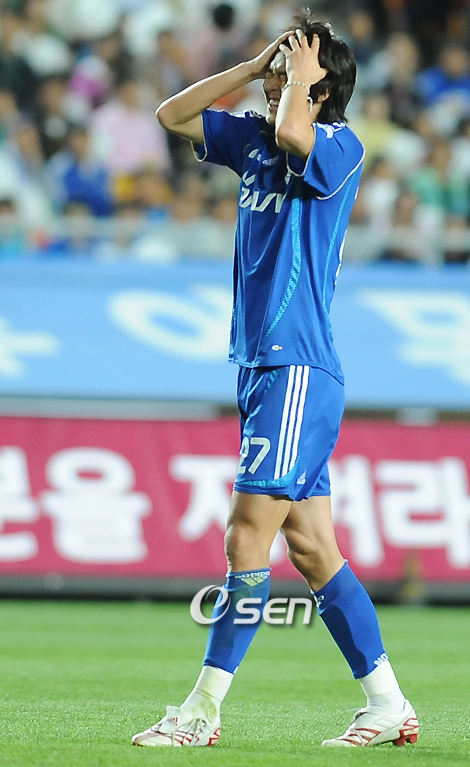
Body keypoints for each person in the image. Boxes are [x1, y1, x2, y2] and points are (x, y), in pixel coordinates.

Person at [132, 11, 419, 749]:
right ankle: (387, 703)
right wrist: (256, 65)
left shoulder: (340, 144)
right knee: (314, 549)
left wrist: (298, 81)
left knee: (245, 536)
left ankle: (200, 711)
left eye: (289, 73)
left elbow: (297, 130)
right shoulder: (256, 141)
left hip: (297, 366)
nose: (273, 85)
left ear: (321, 87)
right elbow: (173, 115)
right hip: (265, 368)